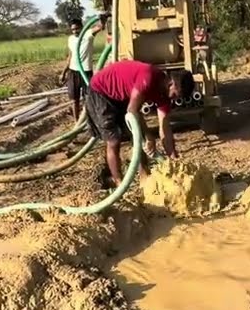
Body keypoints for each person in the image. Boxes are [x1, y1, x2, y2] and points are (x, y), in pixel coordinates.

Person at [83, 59, 195, 188]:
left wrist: (173, 159)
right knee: (114, 140)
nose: (174, 99)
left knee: (137, 136)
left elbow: (165, 128)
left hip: (123, 96)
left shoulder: (164, 96)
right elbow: (132, 111)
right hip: (101, 91)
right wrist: (148, 135)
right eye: (175, 95)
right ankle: (119, 183)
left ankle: (144, 176)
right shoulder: (148, 78)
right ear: (171, 84)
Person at [59, 18, 97, 122]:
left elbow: (99, 27)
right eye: (73, 29)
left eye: (77, 29)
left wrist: (103, 18)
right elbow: (70, 56)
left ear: (82, 27)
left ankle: (89, 121)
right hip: (73, 72)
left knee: (88, 98)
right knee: (74, 99)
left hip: (86, 71)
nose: (75, 31)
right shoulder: (71, 39)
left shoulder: (88, 34)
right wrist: (64, 72)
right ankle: (77, 122)